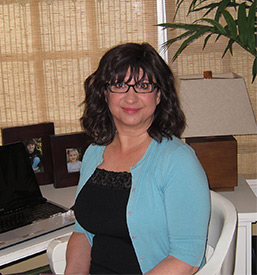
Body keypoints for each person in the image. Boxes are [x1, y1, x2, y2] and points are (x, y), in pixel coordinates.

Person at [65, 42, 210, 275]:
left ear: (159, 95)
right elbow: (83, 232)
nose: (130, 98)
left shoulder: (178, 161)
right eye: (120, 85)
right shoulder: (94, 153)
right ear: (105, 93)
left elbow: (187, 257)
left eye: (143, 86)